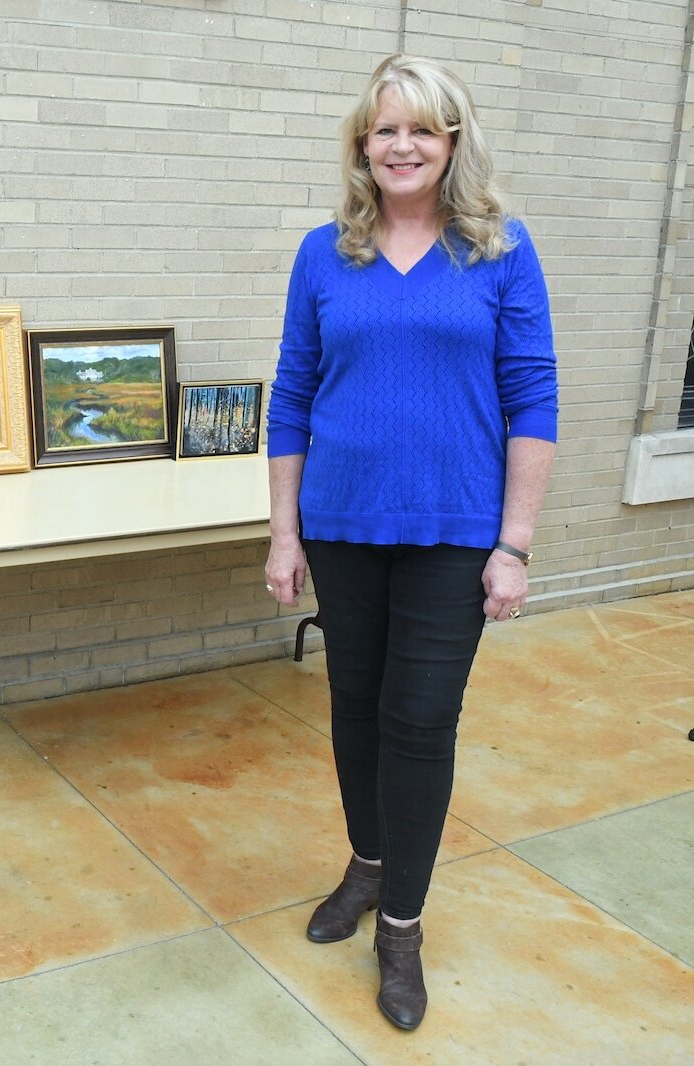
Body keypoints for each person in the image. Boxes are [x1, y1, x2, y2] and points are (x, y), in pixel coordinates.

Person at [264, 54, 558, 1032]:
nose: (401, 146)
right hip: (342, 527)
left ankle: (400, 923)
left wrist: (511, 544)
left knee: (418, 719)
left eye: (421, 130)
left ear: (450, 144)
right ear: (362, 143)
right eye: (384, 129)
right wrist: (282, 532)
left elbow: (531, 401)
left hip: (452, 534)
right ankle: (365, 860)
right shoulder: (323, 253)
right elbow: (292, 398)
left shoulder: (499, 252)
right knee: (353, 707)